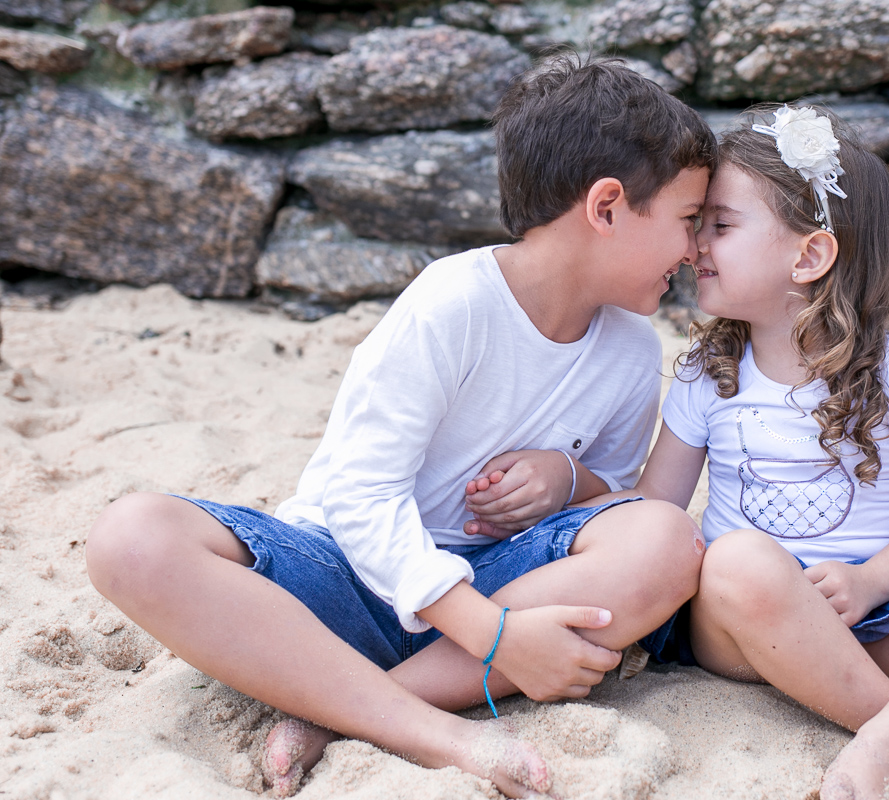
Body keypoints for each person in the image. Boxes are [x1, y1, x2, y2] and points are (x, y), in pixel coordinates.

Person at [84, 55, 715, 799]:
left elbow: (612, 499)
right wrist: (496, 637)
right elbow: (357, 495)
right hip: (346, 581)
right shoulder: (451, 304)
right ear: (606, 208)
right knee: (130, 538)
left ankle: (346, 710)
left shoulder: (634, 348)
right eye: (687, 221)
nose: (696, 249)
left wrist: (567, 478)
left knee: (665, 537)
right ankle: (428, 729)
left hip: (503, 578)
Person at [468, 104, 889, 800]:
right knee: (736, 559)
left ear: (808, 255)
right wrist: (566, 479)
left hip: (885, 614)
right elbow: (651, 510)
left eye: (718, 226)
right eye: (697, 227)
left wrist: (875, 581)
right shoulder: (707, 372)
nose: (694, 248)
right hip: (748, 628)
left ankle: (885, 735)